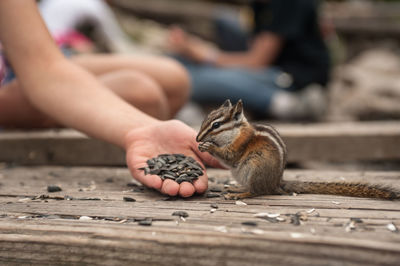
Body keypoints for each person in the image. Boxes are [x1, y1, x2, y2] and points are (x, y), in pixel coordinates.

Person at [0, 0, 220, 197]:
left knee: (175, 77)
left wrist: (142, 129)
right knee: (142, 93)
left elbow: (44, 70)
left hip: (19, 67)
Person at [168, 0, 331, 120]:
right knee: (177, 62)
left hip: (291, 77)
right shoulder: (260, 6)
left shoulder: (289, 4)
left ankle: (285, 103)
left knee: (188, 79)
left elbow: (257, 61)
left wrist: (207, 56)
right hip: (269, 66)